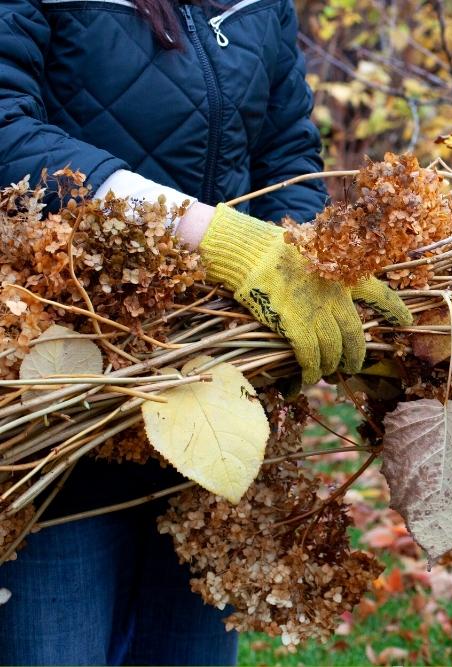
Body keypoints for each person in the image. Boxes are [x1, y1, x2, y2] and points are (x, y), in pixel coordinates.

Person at [0, 0, 410, 663]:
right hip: (56, 398)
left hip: (212, 392)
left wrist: (304, 262)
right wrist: (211, 235)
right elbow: (5, 131)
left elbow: (285, 151)